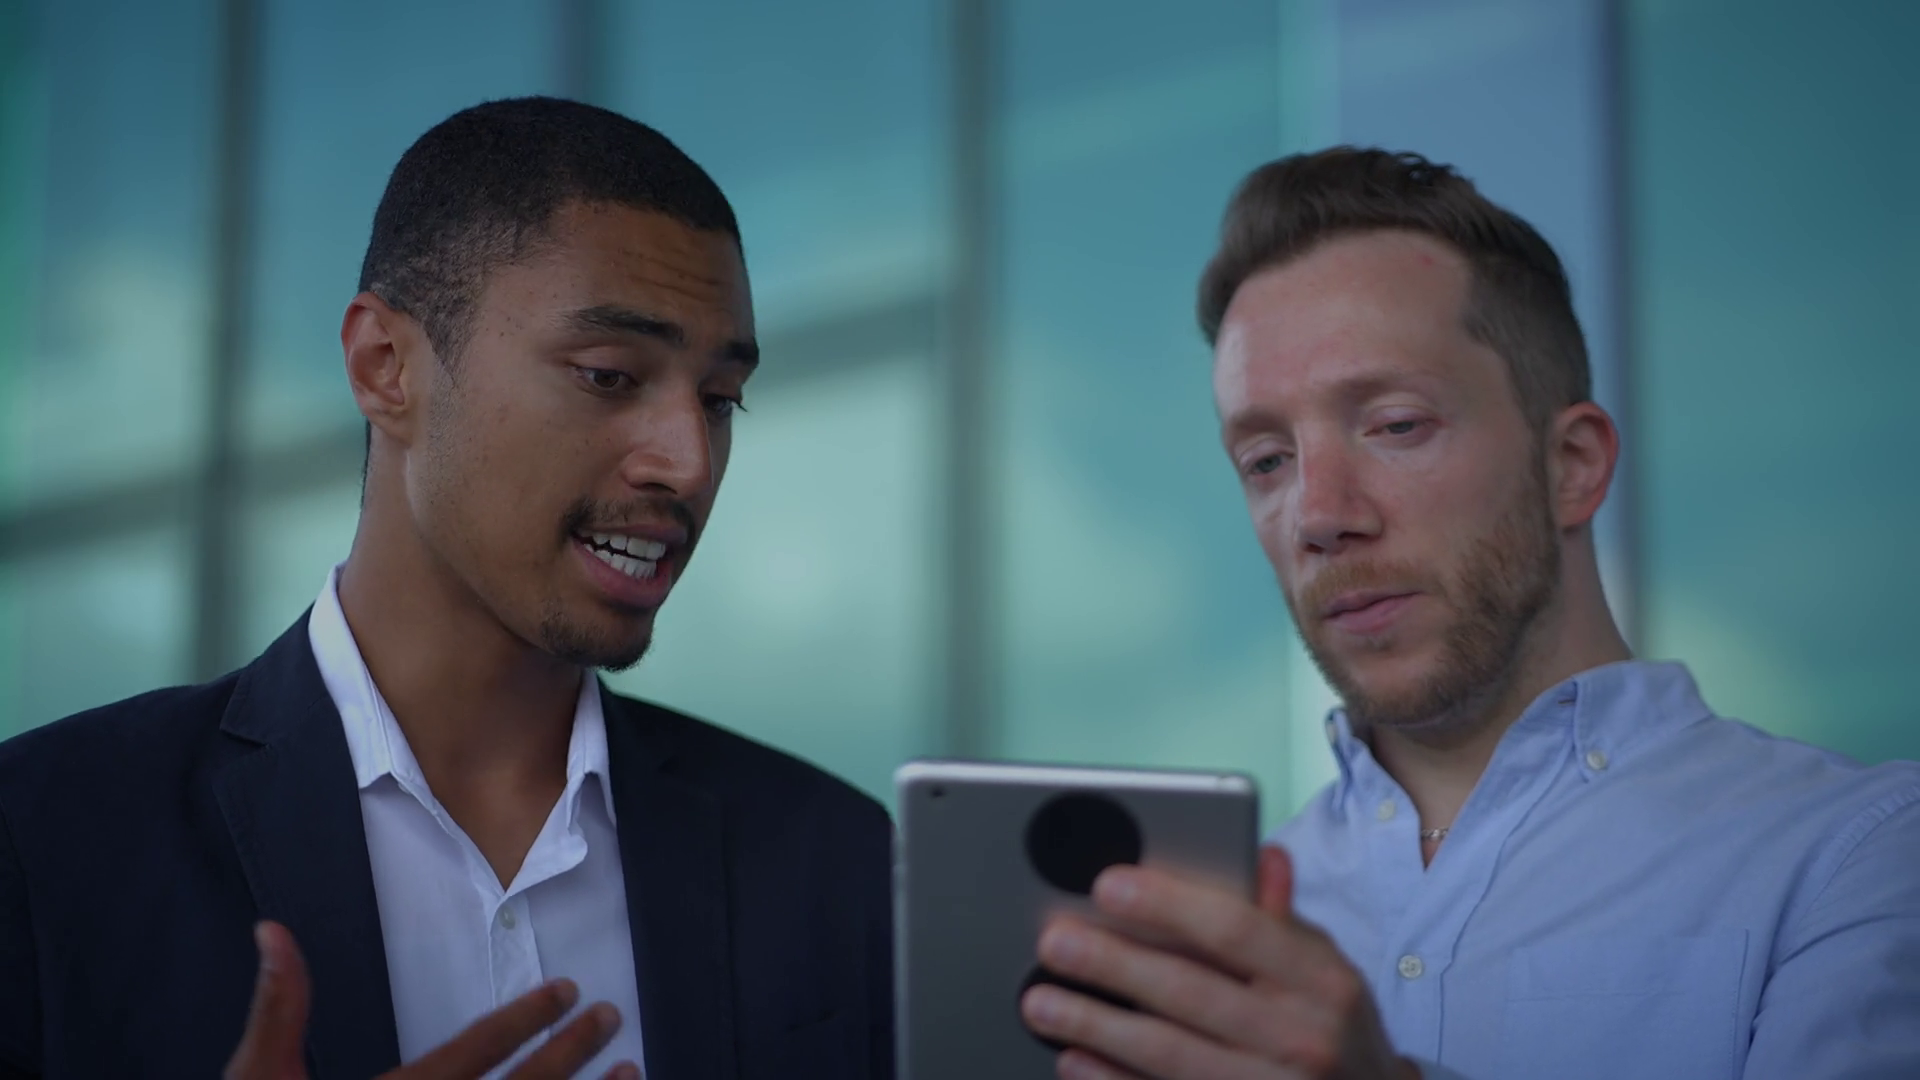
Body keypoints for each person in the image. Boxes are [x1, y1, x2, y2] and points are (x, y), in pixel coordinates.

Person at [0, 98, 892, 1080]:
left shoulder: (836, 865)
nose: (687, 463)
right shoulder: (47, 836)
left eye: (720, 401)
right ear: (386, 367)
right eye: (609, 375)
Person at [1015, 148, 1920, 1079]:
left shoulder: (1860, 853)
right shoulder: (1206, 944)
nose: (1319, 515)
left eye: (1396, 425)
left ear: (1571, 465)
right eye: (1267, 461)